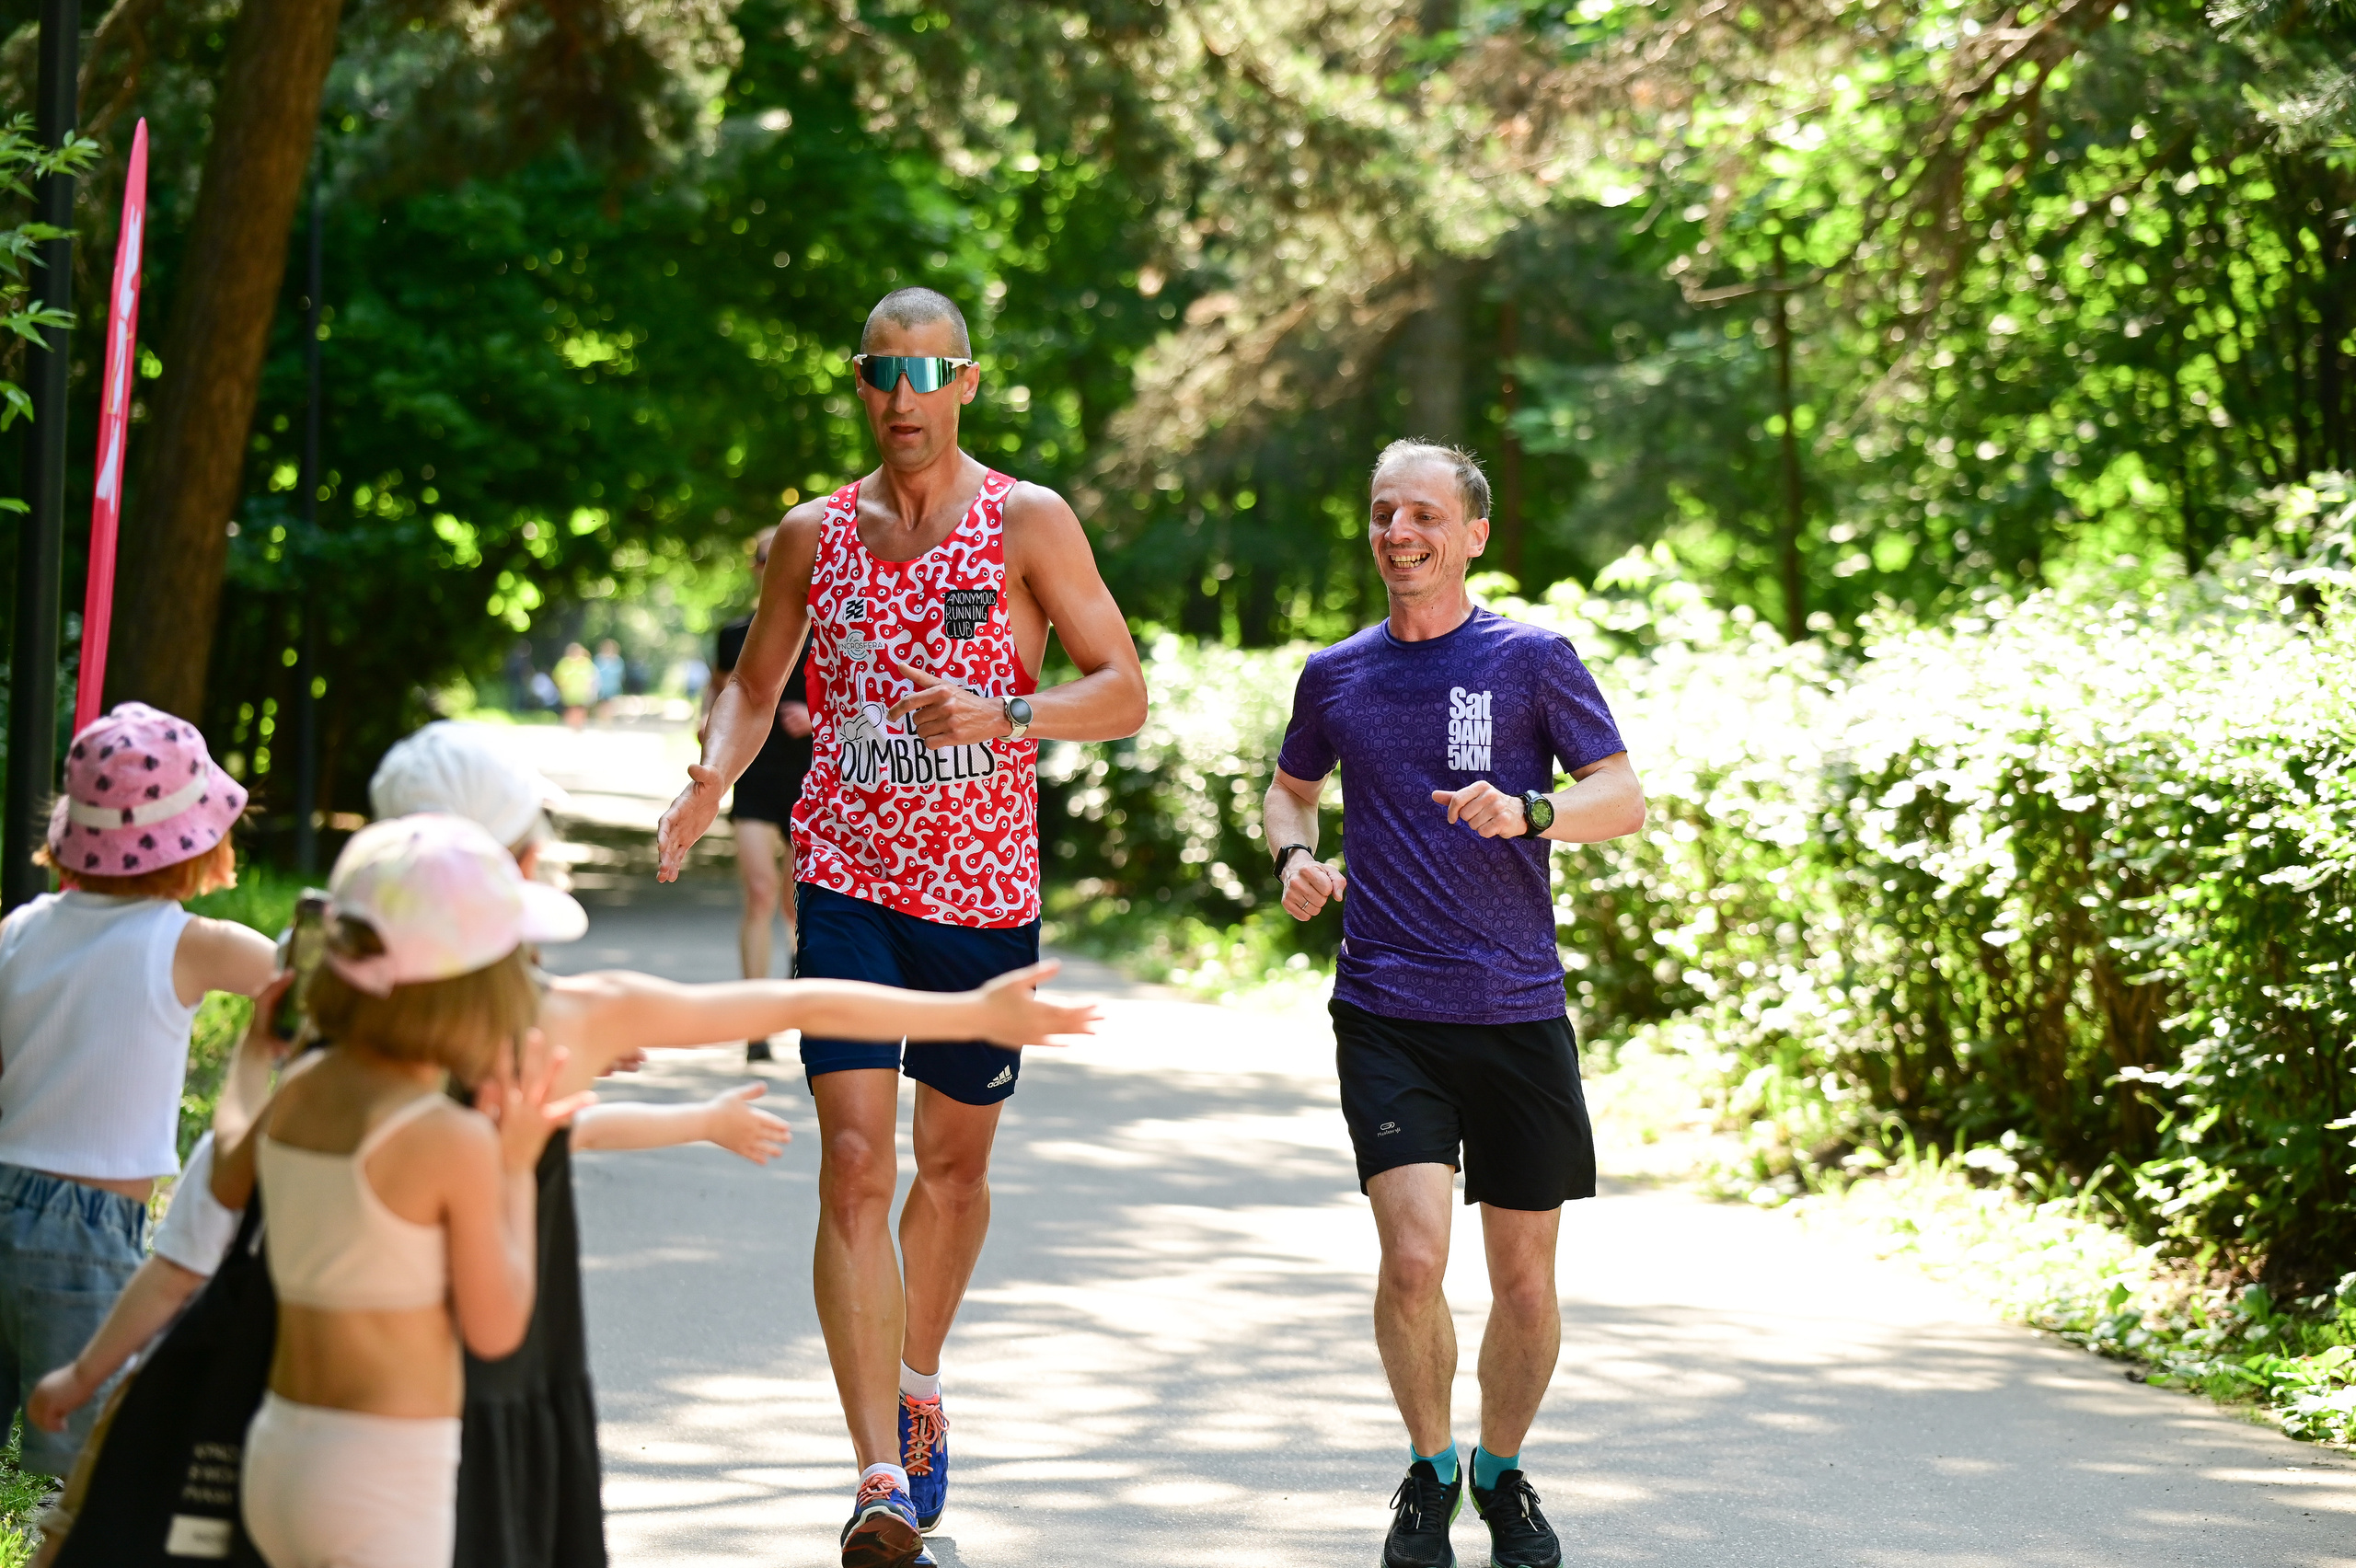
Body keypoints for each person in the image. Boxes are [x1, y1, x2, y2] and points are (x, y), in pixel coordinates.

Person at [653, 286, 1148, 1568]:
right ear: (860, 385)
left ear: (966, 385)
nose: (905, 396)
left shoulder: (1027, 520)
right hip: (850, 886)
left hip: (983, 898)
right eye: (884, 372)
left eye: (930, 373)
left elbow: (1124, 688)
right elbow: (754, 690)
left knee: (955, 1171)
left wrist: (1010, 717)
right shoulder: (811, 536)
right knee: (858, 1164)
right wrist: (712, 779)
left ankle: (918, 1375)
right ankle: (877, 1471)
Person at [369, 721, 1101, 1568]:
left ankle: (907, 1419)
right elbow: (778, 1010)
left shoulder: (319, 1011)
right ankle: (882, 1466)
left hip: (313, 1419)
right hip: (466, 1430)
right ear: (527, 869)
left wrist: (683, 1122)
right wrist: (970, 1016)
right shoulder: (568, 1013)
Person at [1263, 440, 1646, 1568]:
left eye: (1424, 513)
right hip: (1386, 1005)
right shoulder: (1336, 674)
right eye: (1383, 512)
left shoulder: (1531, 659)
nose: (1398, 532)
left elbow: (1618, 797)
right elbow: (1291, 791)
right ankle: (1430, 1475)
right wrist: (1293, 858)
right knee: (1416, 1260)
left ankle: (1502, 1473)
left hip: (1518, 1006)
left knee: (1525, 1282)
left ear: (1473, 534)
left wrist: (1529, 814)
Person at [223, 813, 595, 1568]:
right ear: (476, 992)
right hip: (382, 1483)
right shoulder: (448, 1138)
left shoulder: (299, 1087)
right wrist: (517, 1166)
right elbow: (496, 1328)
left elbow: (229, 1166)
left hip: (278, 1457)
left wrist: (251, 1055)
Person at [0, 702, 276, 1480]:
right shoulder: (190, 941)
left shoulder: (19, 929)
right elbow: (305, 983)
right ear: (201, 845)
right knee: (94, 1462)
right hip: (85, 1233)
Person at [706, 525, 815, 1060]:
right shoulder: (734, 634)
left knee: (799, 908)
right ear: (756, 567)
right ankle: (755, 1026)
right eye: (768, 557)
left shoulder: (831, 631)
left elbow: (870, 705)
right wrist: (711, 740)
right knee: (758, 892)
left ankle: (798, 995)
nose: (779, 563)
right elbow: (722, 695)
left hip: (811, 785)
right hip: (752, 779)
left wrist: (816, 717)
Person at [551, 643, 598, 730]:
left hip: (582, 692)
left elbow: (591, 676)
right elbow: (557, 675)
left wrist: (589, 687)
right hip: (568, 692)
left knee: (581, 709)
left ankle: (579, 724)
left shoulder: (586, 663)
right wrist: (561, 685)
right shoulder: (564, 663)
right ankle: (572, 724)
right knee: (571, 709)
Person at [593, 640, 626, 722]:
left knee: (610, 704)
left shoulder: (618, 660)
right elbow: (594, 672)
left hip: (613, 686)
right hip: (601, 686)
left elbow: (620, 674)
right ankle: (602, 720)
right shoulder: (598, 660)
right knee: (602, 703)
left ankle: (608, 720)